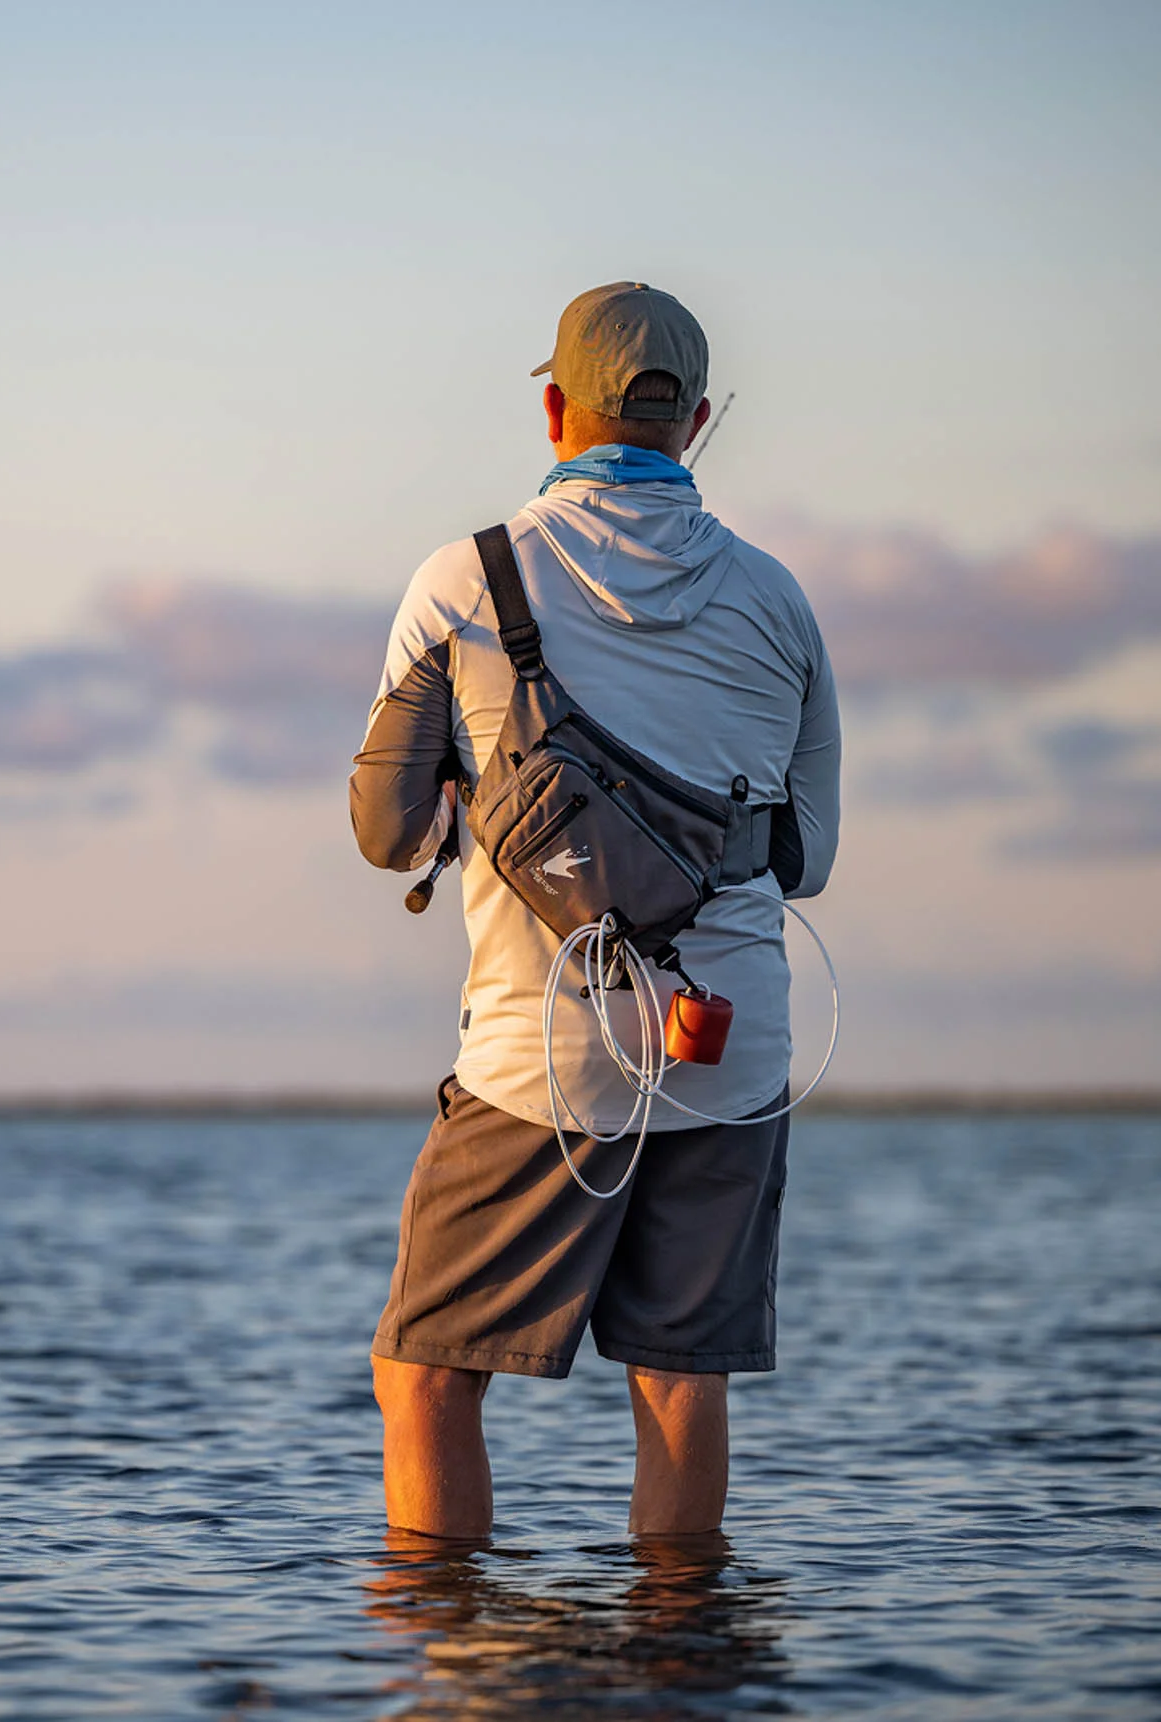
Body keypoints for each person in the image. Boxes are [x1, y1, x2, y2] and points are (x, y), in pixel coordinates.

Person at [349, 282, 840, 1541]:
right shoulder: (779, 602)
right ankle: (682, 1662)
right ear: (699, 420)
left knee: (423, 1372)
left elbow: (382, 833)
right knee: (680, 1381)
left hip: (541, 1052)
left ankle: (450, 1662)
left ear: (557, 406)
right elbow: (805, 857)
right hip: (731, 1045)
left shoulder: (465, 580)